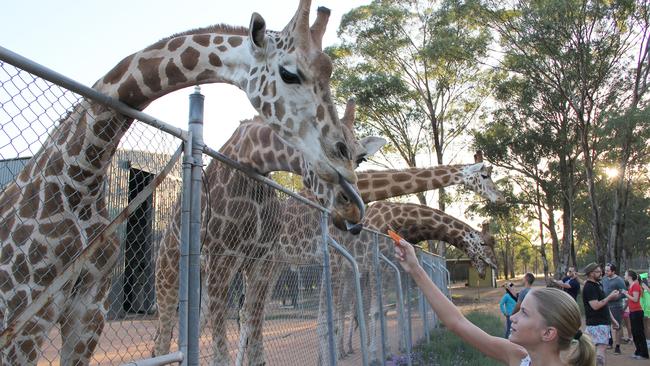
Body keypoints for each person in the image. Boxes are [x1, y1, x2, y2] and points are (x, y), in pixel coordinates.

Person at [394, 238, 595, 366]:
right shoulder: (519, 357)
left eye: (524, 313)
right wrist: (415, 269)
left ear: (548, 333)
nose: (513, 317)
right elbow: (457, 322)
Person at [581, 262, 620, 365]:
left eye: (600, 271)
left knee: (595, 350)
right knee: (600, 350)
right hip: (597, 323)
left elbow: (604, 305)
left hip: (601, 323)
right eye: (598, 272)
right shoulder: (590, 287)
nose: (601, 273)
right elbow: (595, 306)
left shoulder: (598, 285)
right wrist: (610, 297)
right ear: (591, 273)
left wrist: (613, 320)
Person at [621, 270, 649, 359]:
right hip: (633, 312)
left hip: (637, 312)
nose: (624, 275)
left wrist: (625, 293)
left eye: (625, 274)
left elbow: (635, 299)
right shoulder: (631, 286)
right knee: (635, 333)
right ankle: (638, 352)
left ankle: (644, 353)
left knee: (639, 333)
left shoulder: (636, 285)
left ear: (629, 276)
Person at [602, 263, 626, 354]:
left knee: (617, 326)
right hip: (605, 305)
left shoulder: (619, 280)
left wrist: (616, 297)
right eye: (605, 270)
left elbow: (624, 293)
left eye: (608, 270)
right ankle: (610, 342)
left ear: (613, 271)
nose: (606, 272)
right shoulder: (604, 279)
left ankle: (617, 347)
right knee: (606, 325)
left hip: (616, 306)